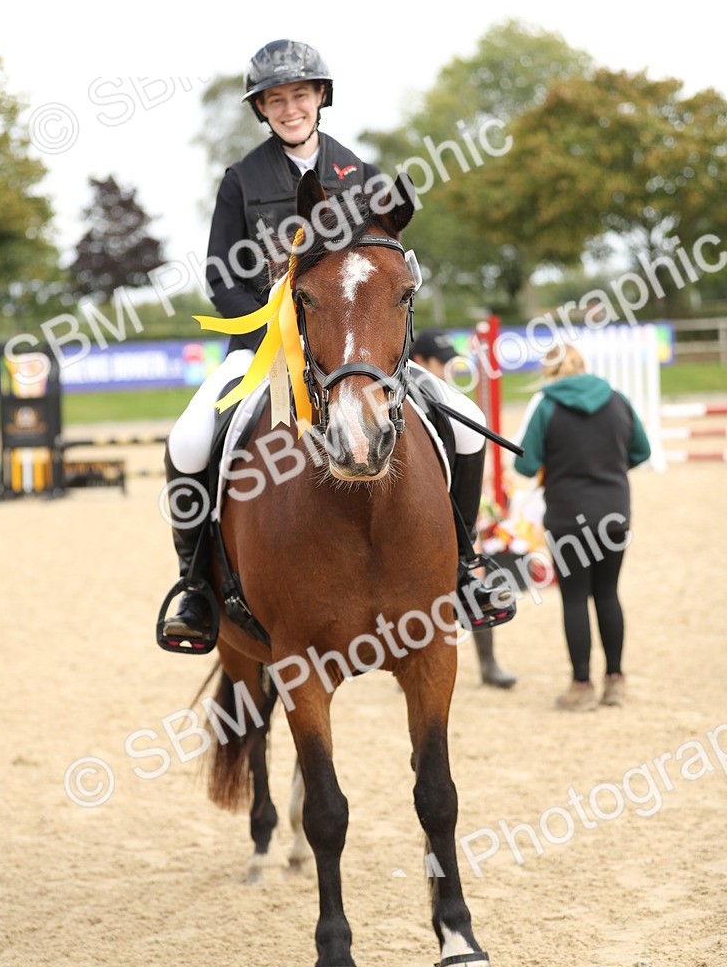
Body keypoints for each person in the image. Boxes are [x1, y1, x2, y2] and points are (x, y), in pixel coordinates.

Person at [160, 39, 510, 647]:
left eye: (299, 95)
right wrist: (269, 332)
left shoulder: (364, 177)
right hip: (261, 348)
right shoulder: (242, 180)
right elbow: (221, 274)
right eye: (275, 100)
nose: (289, 108)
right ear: (262, 110)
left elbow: (385, 271)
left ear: (320, 97)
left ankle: (463, 567)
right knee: (188, 439)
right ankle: (195, 587)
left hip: (359, 352)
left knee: (466, 418)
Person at [512, 343, 651, 710]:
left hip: (568, 516)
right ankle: (616, 680)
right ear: (583, 365)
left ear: (549, 371)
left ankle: (581, 686)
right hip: (614, 512)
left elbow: (525, 466)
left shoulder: (546, 406)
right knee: (608, 593)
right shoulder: (617, 399)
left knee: (575, 598)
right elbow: (642, 452)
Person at [410, 328, 517, 690]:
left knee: (473, 564)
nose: (449, 370)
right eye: (442, 363)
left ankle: (465, 565)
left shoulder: (440, 395)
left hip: (458, 505)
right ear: (421, 362)